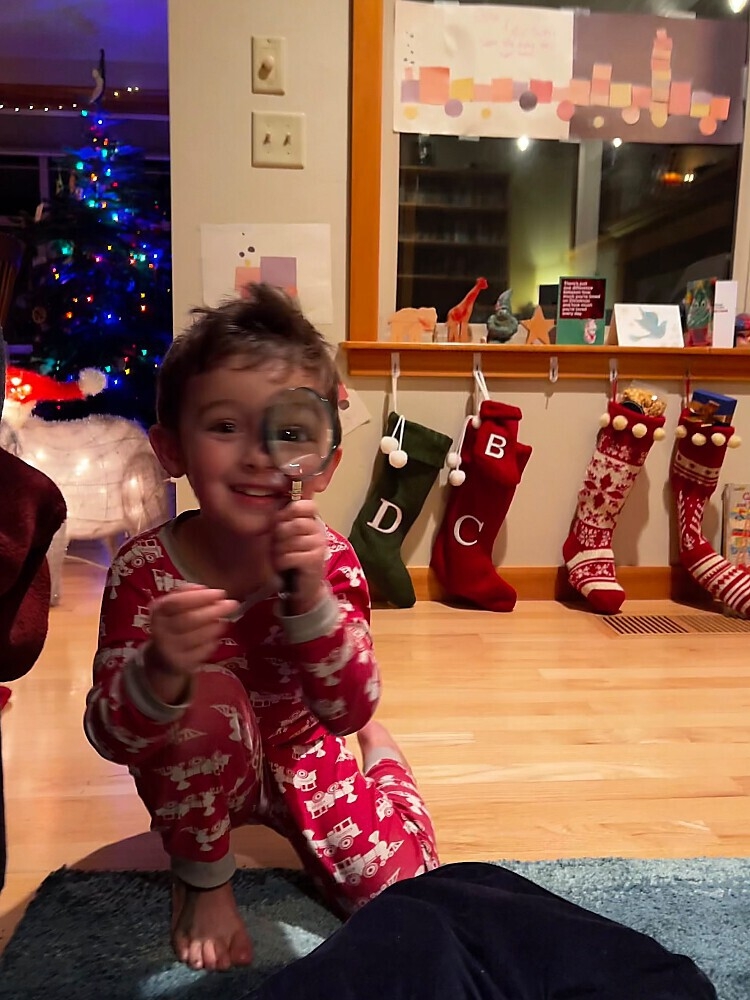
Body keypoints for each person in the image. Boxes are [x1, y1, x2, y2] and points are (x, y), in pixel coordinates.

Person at [83, 285, 438, 973]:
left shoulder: (332, 560)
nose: (257, 455)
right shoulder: (143, 572)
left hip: (308, 751)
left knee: (409, 899)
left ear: (325, 463)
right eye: (224, 426)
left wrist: (311, 601)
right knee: (201, 702)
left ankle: (387, 765)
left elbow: (348, 709)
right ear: (171, 449)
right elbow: (110, 735)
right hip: (201, 764)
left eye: (290, 432)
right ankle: (202, 882)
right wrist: (158, 672)